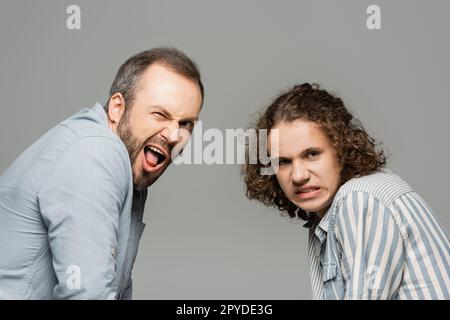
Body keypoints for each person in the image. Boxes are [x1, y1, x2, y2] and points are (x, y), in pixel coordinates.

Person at [0, 47, 204, 299]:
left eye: (185, 124)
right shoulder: (96, 151)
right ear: (117, 107)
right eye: (160, 114)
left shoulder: (131, 166)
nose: (174, 136)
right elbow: (88, 294)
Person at [242, 83, 450, 299]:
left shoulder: (360, 199)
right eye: (283, 161)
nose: (298, 176)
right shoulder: (328, 219)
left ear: (342, 148)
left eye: (312, 154)